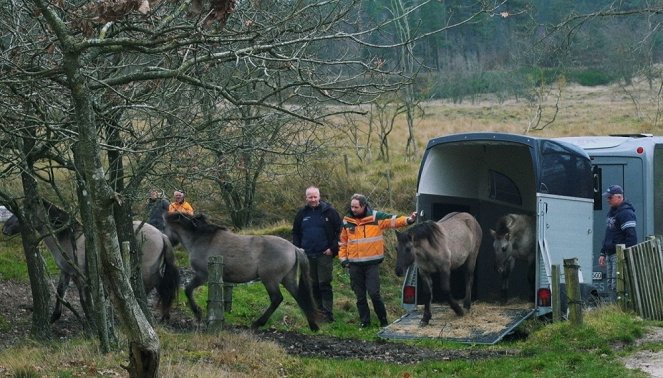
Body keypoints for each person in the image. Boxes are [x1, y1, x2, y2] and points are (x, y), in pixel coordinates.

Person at [338, 193, 416, 328]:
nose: (353, 209)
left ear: (364, 206)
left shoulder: (375, 217)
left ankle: (383, 321)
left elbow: (393, 220)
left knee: (374, 294)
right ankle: (365, 322)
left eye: (356, 207)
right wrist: (344, 260)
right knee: (360, 296)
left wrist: (409, 220)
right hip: (354, 265)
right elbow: (342, 242)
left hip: (371, 264)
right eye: (352, 207)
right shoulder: (347, 221)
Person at [292, 186, 342, 323]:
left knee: (324, 284)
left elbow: (340, 231)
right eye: (310, 197)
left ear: (319, 197)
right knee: (312, 285)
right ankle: (317, 312)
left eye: (315, 197)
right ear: (306, 198)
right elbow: (295, 232)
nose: (313, 199)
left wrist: (333, 249)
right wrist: (298, 249)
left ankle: (328, 313)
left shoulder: (329, 212)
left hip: (324, 254)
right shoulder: (302, 214)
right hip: (307, 255)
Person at [599, 184, 637, 300]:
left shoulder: (626, 213)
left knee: (618, 285)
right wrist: (602, 253)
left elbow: (631, 237)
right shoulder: (611, 212)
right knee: (611, 285)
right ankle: (613, 311)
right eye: (607, 197)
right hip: (610, 254)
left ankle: (619, 310)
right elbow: (608, 234)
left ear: (619, 197)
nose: (608, 200)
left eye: (610, 197)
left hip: (618, 255)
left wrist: (625, 255)